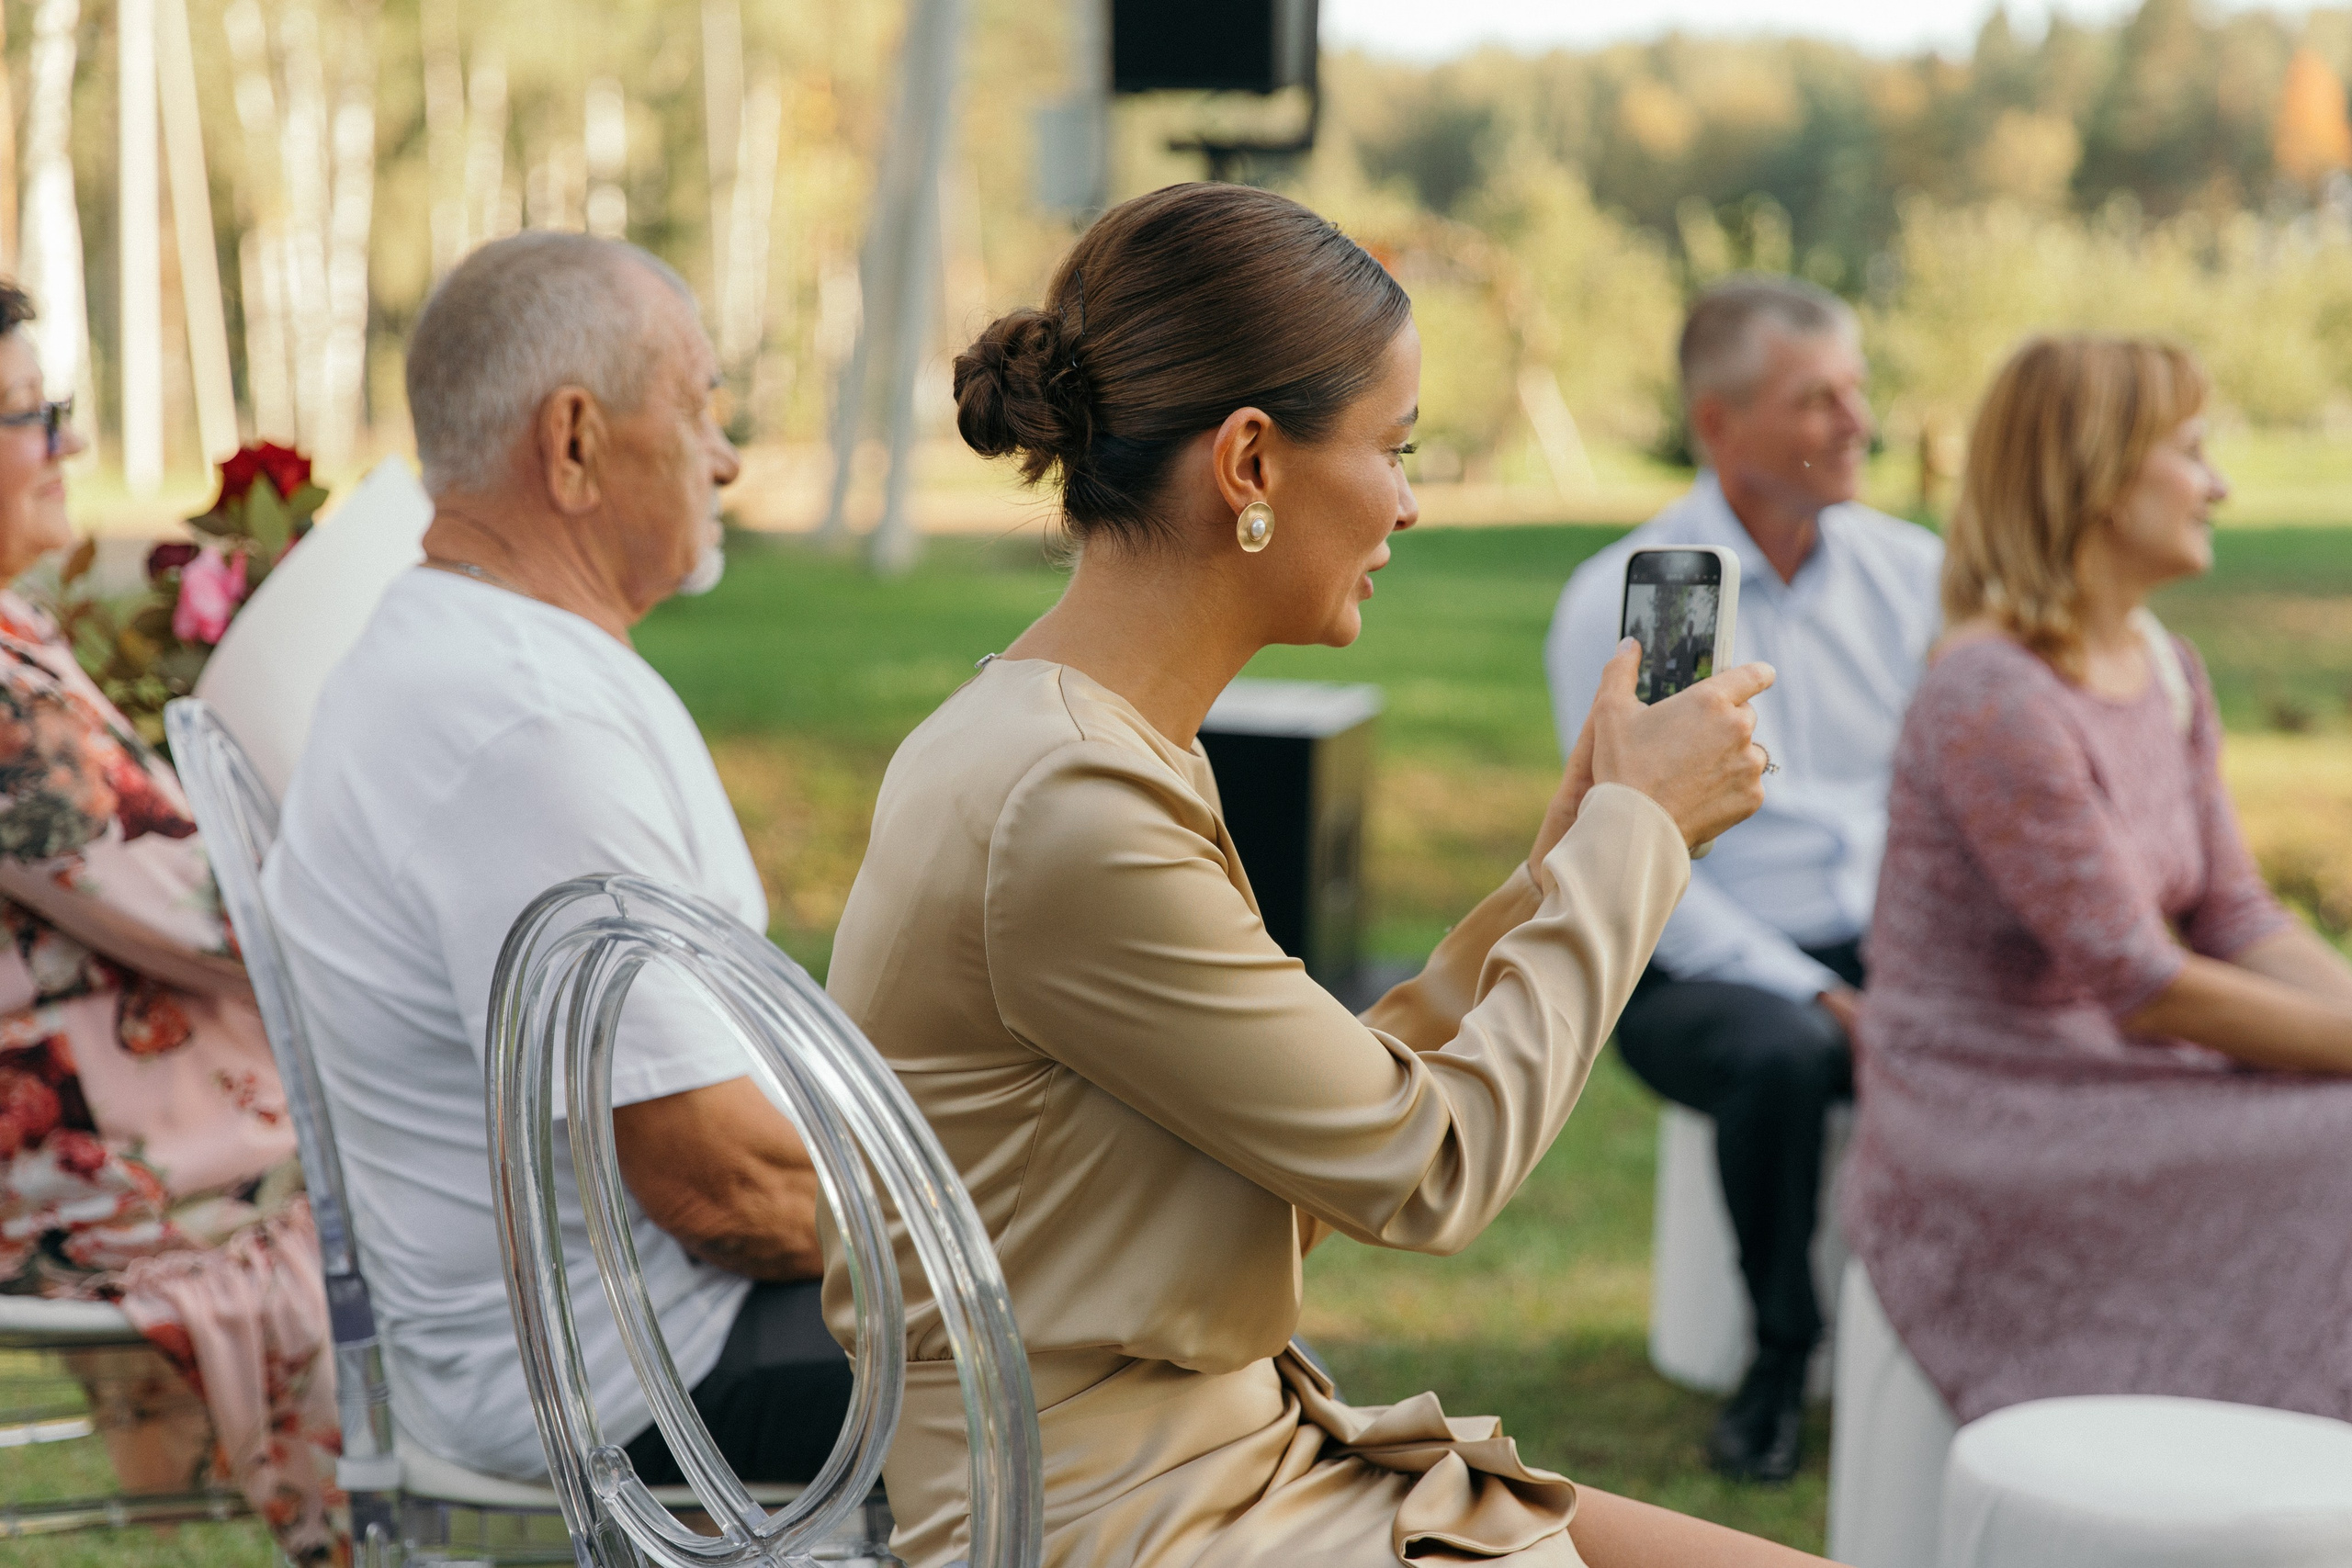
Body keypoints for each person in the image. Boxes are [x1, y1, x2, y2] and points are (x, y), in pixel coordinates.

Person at [824, 182, 1819, 1568]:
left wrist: (1569, 859)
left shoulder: (1056, 740)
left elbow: (1329, 1130)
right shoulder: (1070, 803)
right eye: (1393, 448)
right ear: (1250, 461)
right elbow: (1430, 1167)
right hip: (1131, 1524)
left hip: (1212, 1468)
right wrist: (1637, 840)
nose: (1407, 503)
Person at [265, 231, 850, 1484]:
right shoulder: (523, 727)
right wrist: (989, 1245)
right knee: (1138, 1341)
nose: (726, 457)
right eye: (699, 408)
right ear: (575, 441)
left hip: (624, 1334)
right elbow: (721, 1191)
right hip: (638, 1372)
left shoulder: (473, 649)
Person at [1842, 333, 2352, 1426]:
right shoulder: (1992, 697)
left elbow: (2237, 914)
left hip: (2121, 1070)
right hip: (1993, 1111)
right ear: (2100, 474)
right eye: (2192, 452)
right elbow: (2143, 982)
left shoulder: (2164, 666)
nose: (2218, 485)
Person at [1544, 276, 1940, 1481]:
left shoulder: (1916, 574)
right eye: (1816, 398)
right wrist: (1814, 991)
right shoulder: (1639, 599)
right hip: (1693, 955)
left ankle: (1969, 1335)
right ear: (1717, 424)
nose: (1856, 420)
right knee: (1783, 1053)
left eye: (1856, 390)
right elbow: (1638, 859)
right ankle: (1779, 1355)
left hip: (1882, 934)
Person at [0, 283, 341, 1559]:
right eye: (35, 416)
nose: (70, 443)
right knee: (475, 1200)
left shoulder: (16, 645)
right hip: (107, 1176)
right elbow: (233, 923)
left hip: (123, 1135)